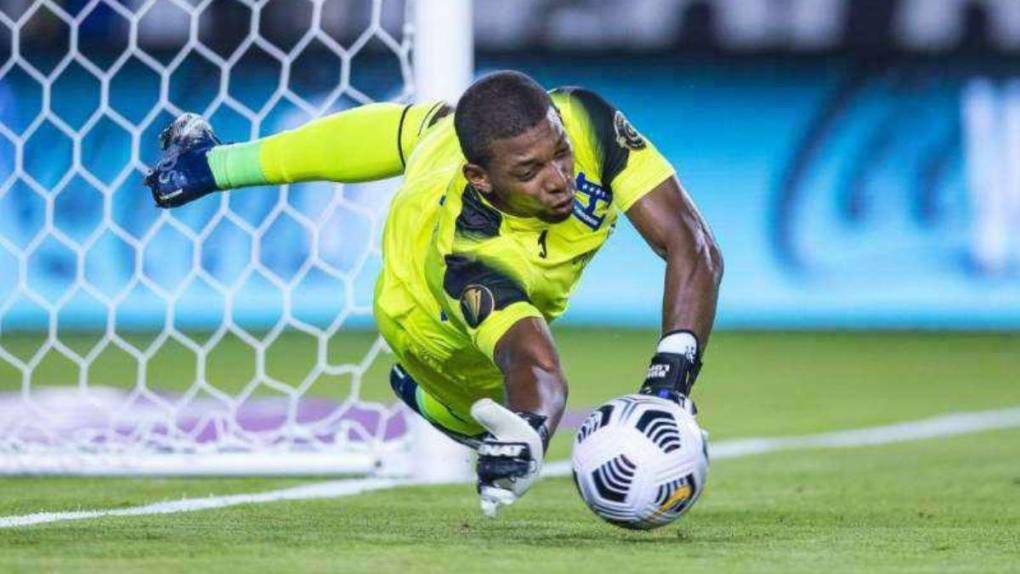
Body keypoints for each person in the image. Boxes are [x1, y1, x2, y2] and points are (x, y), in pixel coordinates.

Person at [144, 70, 723, 516]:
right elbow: (534, 364)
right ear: (482, 179)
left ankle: (212, 164)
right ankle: (430, 398)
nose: (558, 178)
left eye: (560, 152)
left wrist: (669, 382)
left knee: (427, 124)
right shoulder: (469, 257)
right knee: (493, 416)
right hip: (421, 317)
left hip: (437, 151)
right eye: (529, 172)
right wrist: (528, 432)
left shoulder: (584, 119)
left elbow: (692, 243)